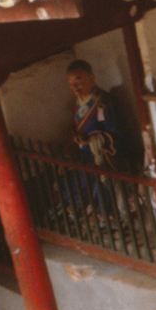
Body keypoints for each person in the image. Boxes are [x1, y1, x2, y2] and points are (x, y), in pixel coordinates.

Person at [65, 59, 135, 222]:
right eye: (70, 83)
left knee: (100, 180)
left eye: (79, 81)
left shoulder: (104, 102)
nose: (75, 87)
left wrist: (94, 138)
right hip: (85, 154)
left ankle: (107, 216)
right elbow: (74, 128)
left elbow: (115, 132)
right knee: (71, 175)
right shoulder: (77, 105)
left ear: (91, 78)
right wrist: (77, 139)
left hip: (104, 154)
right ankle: (77, 210)